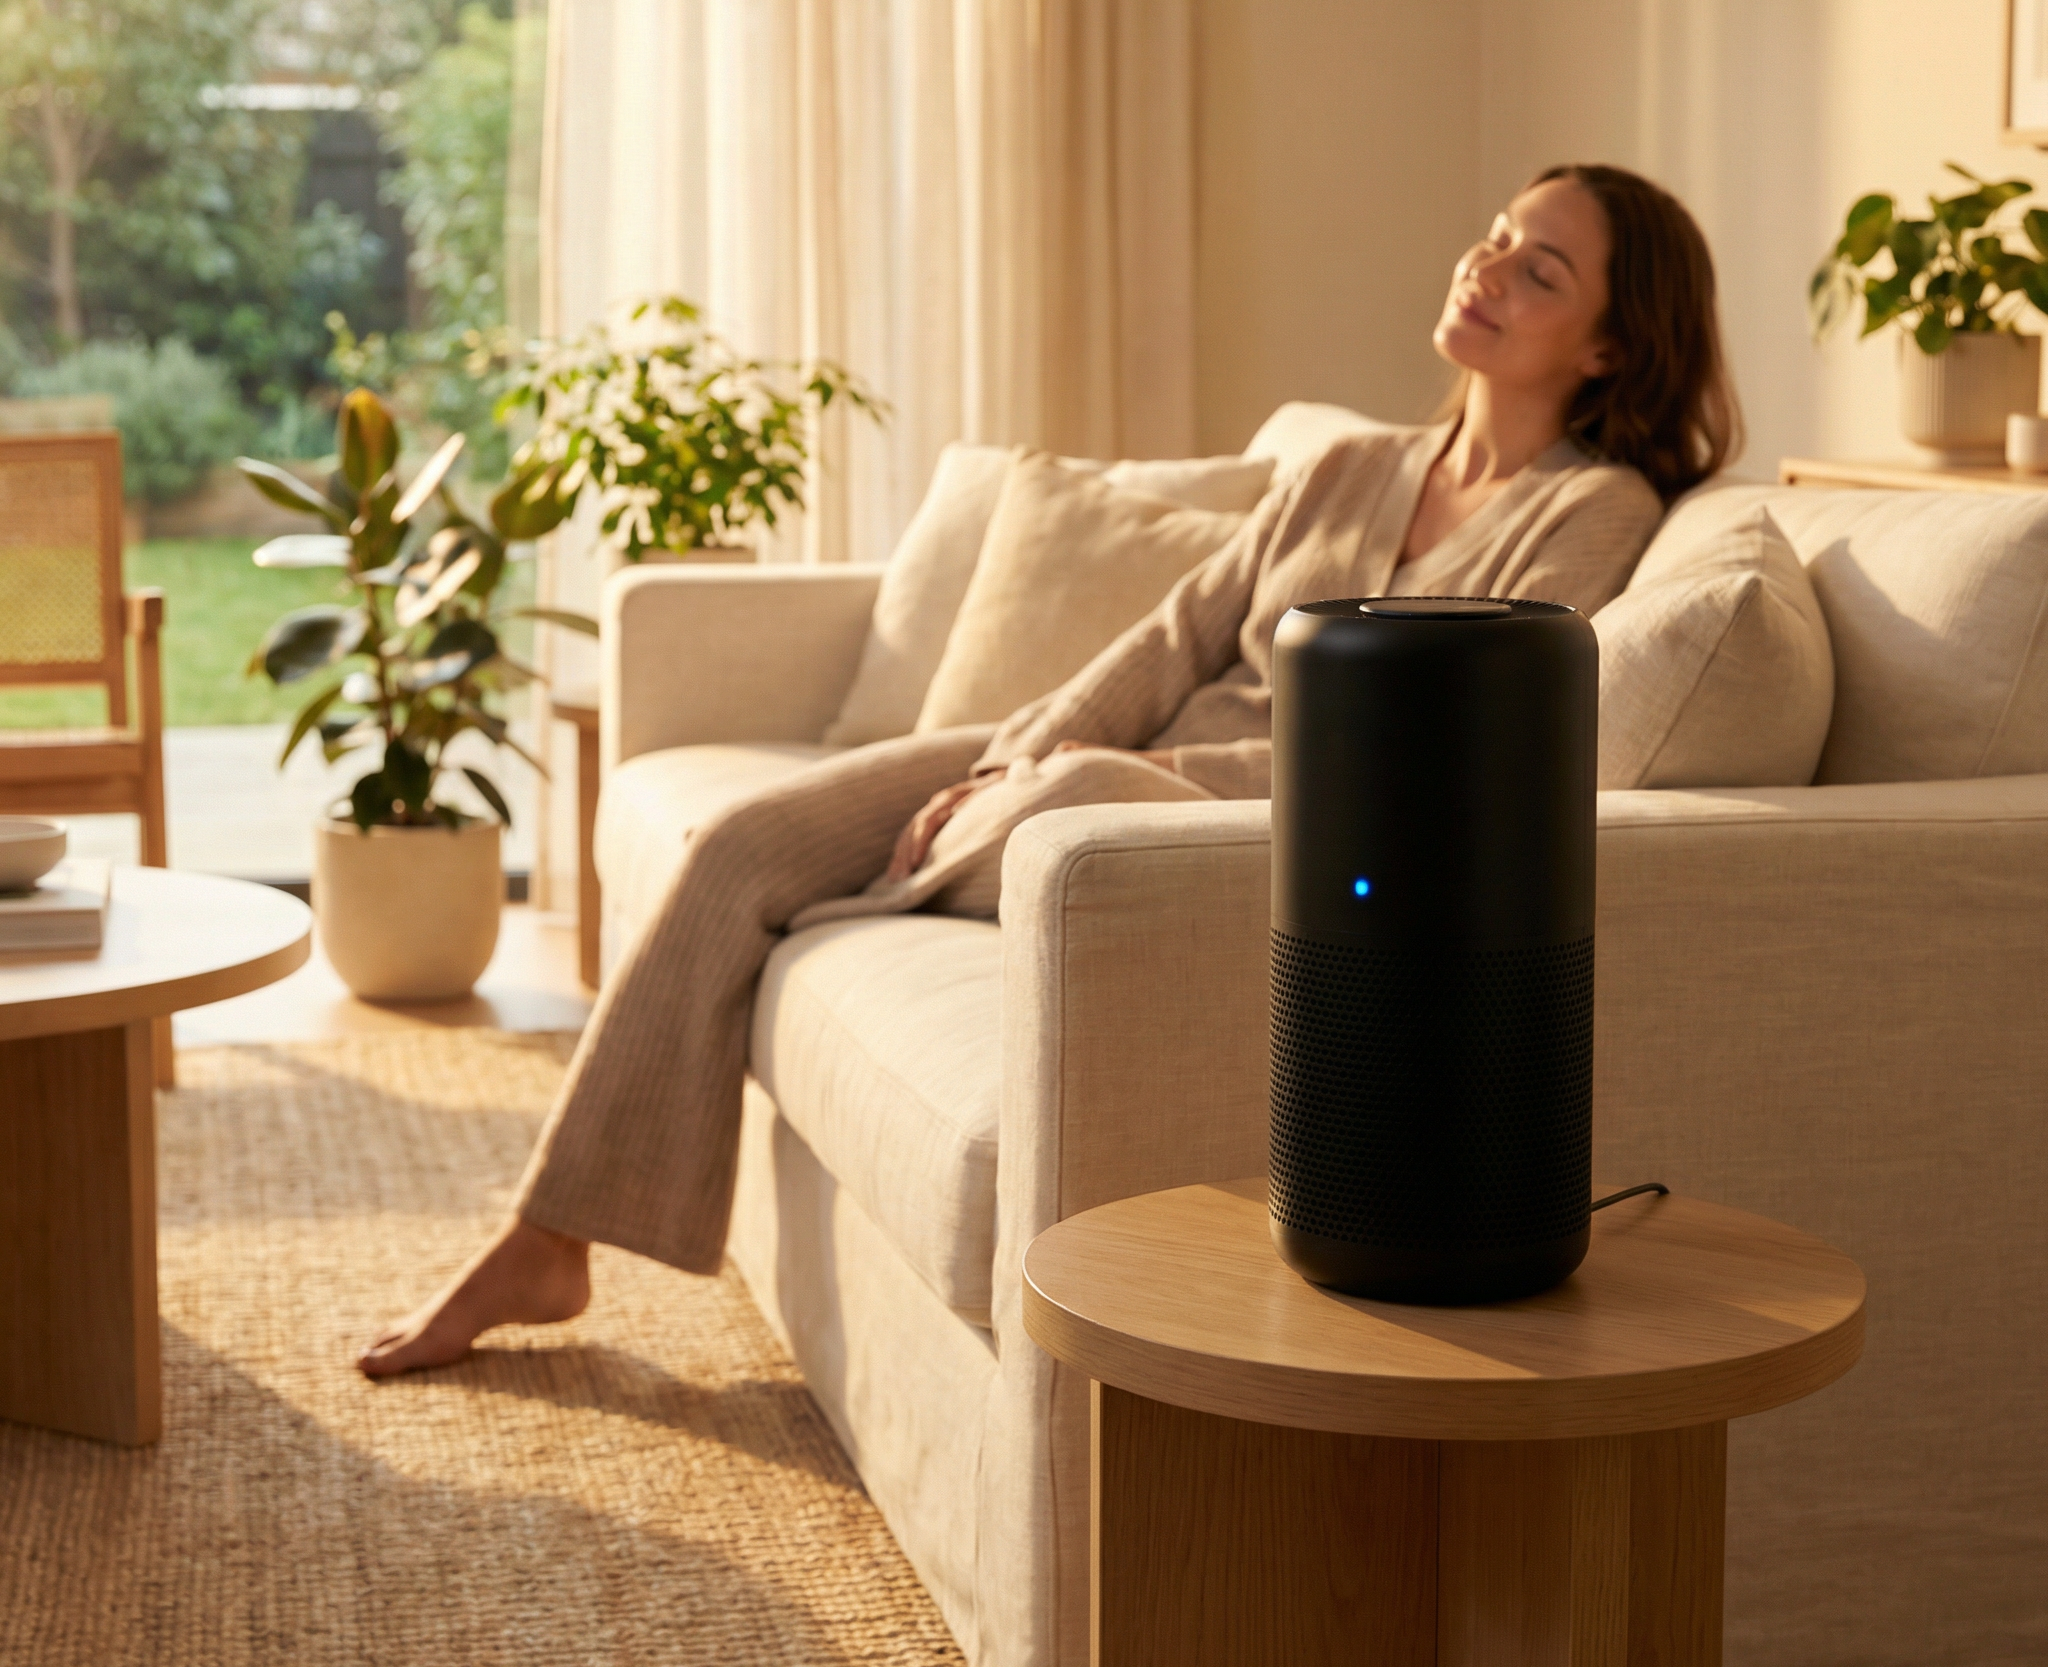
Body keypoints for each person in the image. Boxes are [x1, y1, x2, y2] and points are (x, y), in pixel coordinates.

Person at [358, 160, 1740, 1376]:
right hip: (1094, 755)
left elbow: (1441, 753)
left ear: (1614, 346)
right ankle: (549, 1240)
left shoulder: (1592, 512)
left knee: (1068, 811)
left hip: (1245, 818)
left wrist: (1060, 780)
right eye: (1496, 232)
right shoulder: (1354, 467)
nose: (1488, 265)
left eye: (1540, 266)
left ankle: (866, 899)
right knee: (741, 844)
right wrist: (1015, 751)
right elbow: (1173, 634)